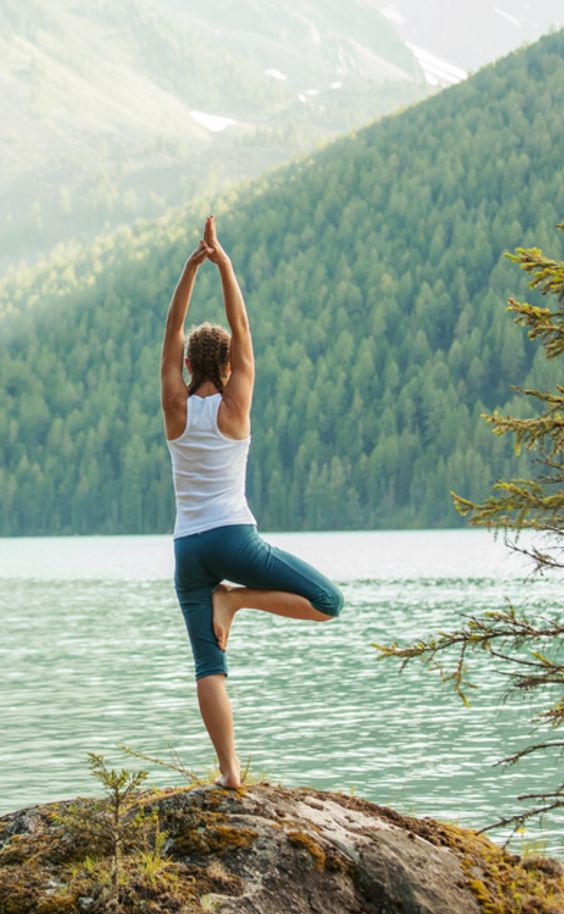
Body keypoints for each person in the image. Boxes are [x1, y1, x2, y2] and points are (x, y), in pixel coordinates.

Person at [161, 215, 345, 789]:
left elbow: (172, 332)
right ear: (232, 365)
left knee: (207, 666)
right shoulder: (235, 404)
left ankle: (230, 772)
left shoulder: (175, 405)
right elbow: (241, 327)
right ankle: (235, 602)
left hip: (188, 548)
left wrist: (190, 269)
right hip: (234, 539)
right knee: (327, 601)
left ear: (189, 367)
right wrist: (226, 265)